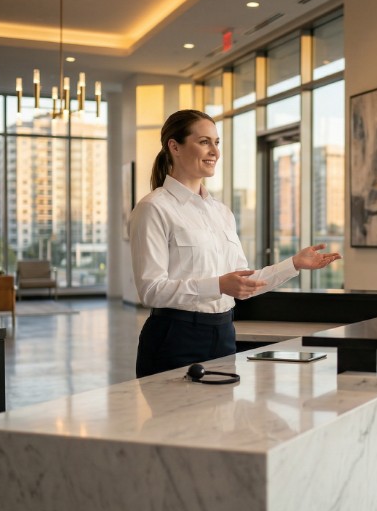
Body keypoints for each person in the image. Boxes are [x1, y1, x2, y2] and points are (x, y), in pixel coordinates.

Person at [129, 109, 340, 378]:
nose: (214, 152)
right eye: (204, 141)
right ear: (174, 146)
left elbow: (243, 283)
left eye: (216, 143)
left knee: (221, 421)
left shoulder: (221, 212)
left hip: (224, 334)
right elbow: (150, 290)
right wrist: (218, 285)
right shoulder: (153, 208)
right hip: (174, 338)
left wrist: (294, 264)